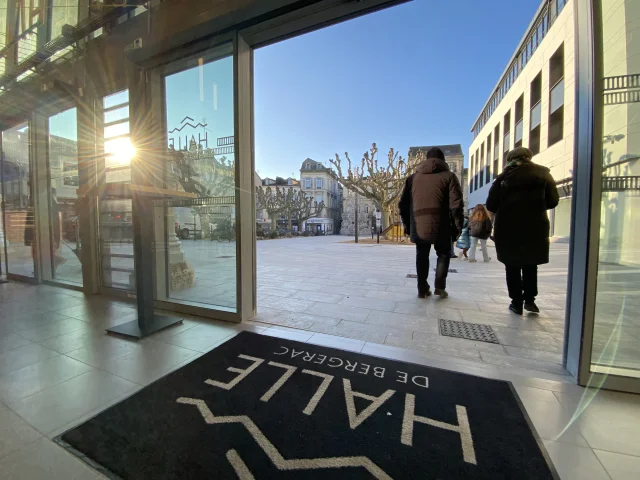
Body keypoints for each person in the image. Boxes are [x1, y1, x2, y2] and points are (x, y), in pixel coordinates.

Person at [486, 147, 559, 314]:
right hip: (535, 226)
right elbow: (553, 201)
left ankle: (516, 302)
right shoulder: (543, 174)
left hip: (508, 226)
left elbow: (491, 204)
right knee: (530, 264)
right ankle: (530, 300)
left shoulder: (504, 177)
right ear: (529, 157)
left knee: (511, 264)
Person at [399, 147, 464, 298]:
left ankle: (422, 289)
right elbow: (456, 205)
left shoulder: (412, 179)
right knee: (443, 254)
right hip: (443, 225)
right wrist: (458, 226)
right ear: (443, 160)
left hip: (419, 225)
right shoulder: (450, 176)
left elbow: (403, 204)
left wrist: (408, 225)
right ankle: (440, 287)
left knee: (422, 255)